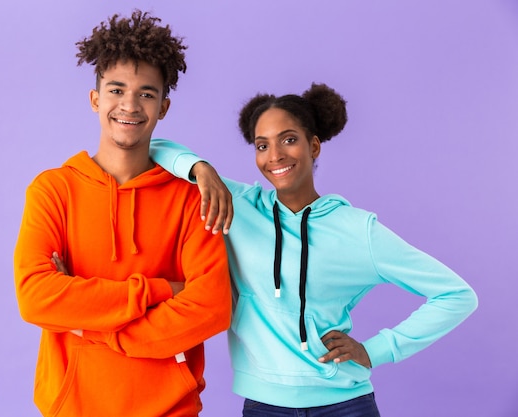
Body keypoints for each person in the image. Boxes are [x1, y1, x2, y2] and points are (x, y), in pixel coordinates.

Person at [149, 83, 478, 416]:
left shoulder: (357, 230)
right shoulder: (236, 205)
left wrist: (377, 350)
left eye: (288, 140)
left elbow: (456, 295)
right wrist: (201, 169)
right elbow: (154, 148)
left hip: (345, 405)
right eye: (262, 145)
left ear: (314, 146)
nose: (274, 156)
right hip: (265, 406)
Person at [13, 10, 232, 417]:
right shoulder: (53, 190)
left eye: (146, 94)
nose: (129, 105)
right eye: (116, 90)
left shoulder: (191, 198)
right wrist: (162, 291)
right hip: (72, 407)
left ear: (163, 107)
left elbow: (213, 306)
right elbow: (35, 296)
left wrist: (97, 329)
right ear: (96, 99)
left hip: (172, 408)